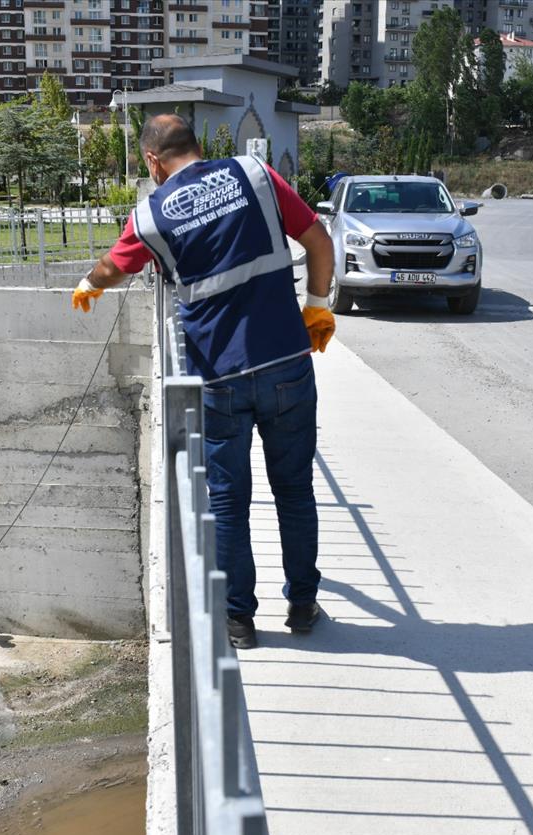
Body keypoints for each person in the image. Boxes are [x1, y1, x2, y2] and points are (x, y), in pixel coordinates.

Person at [72, 114, 336, 650]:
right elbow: (319, 240)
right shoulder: (255, 174)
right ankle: (303, 605)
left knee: (228, 500)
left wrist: (88, 284)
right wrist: (317, 305)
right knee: (294, 489)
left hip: (220, 378)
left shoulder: (151, 215)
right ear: (196, 145)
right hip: (286, 362)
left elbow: (113, 268)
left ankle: (239, 619)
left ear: (152, 161)